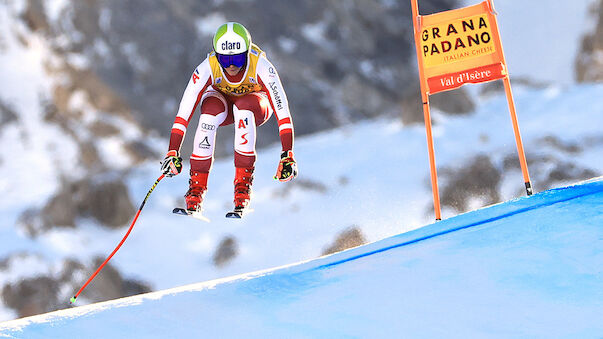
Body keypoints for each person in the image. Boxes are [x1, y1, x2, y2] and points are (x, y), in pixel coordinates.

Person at [160, 22, 298, 216]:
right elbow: (184, 113)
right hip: (222, 102)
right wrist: (172, 151)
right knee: (208, 112)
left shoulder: (261, 66)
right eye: (225, 60)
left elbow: (282, 111)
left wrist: (287, 154)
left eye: (239, 58)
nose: (232, 65)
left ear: (248, 53)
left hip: (254, 105)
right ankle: (196, 193)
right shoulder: (208, 67)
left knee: (244, 109)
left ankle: (242, 191)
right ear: (217, 55)